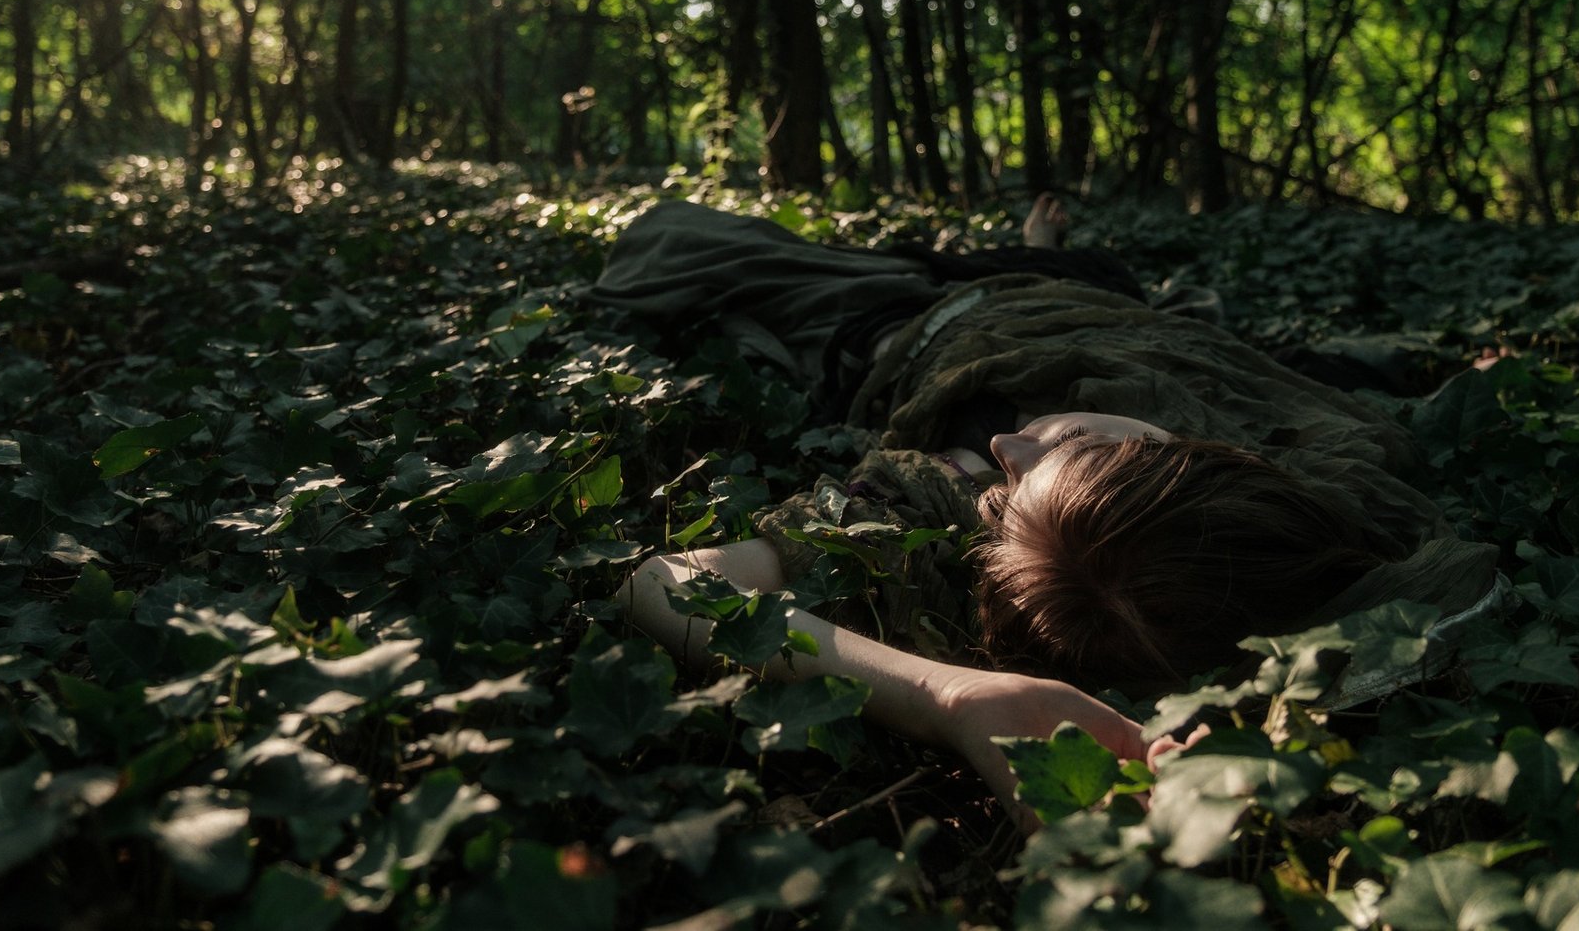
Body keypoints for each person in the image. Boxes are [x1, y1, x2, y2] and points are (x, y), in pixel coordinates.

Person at [595, 196, 1501, 825]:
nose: (1004, 452)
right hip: (1101, 299)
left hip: (917, 312)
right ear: (1166, 452)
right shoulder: (1310, 454)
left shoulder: (943, 507)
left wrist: (951, 695)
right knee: (1107, 270)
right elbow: (1426, 575)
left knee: (670, 239)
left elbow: (664, 583)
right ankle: (1038, 240)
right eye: (1067, 447)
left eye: (1010, 491)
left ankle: (1023, 246)